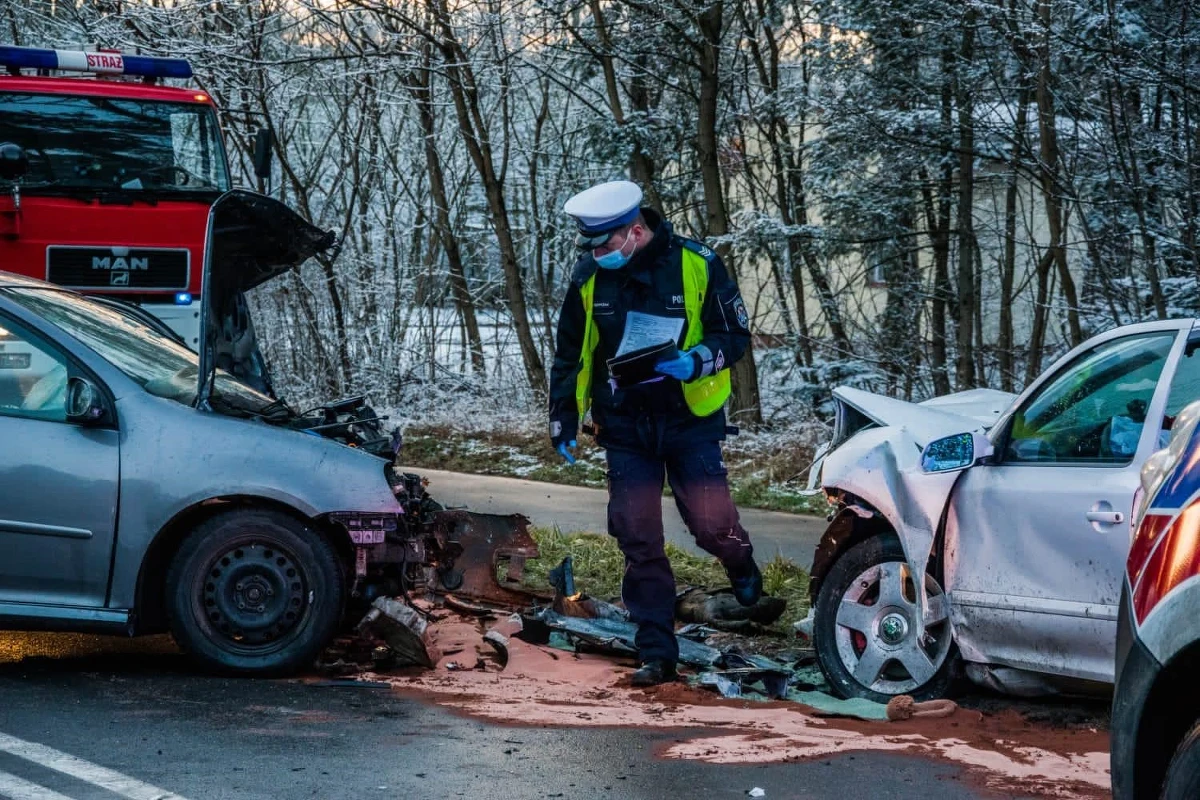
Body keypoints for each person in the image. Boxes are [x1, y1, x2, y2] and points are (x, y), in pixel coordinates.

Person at [547, 179, 762, 687]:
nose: (597, 254)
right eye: (591, 247)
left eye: (604, 245)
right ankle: (657, 652)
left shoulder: (697, 263)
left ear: (635, 231)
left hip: (689, 418)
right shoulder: (588, 278)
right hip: (624, 423)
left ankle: (741, 564)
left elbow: (733, 335)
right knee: (637, 533)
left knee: (711, 524)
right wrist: (562, 416)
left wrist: (696, 362)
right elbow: (572, 356)